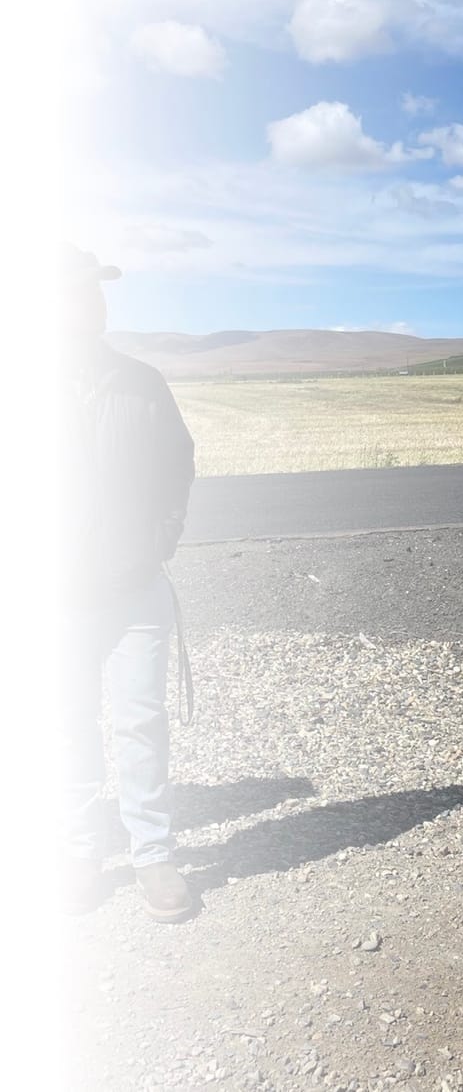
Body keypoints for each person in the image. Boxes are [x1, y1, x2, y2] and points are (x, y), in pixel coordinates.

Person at [58, 244, 196, 922]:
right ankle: (83, 852)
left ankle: (153, 854)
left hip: (137, 584)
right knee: (67, 723)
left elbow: (179, 462)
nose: (90, 302)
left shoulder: (143, 382)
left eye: (95, 291)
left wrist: (159, 538)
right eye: (75, 291)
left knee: (143, 719)